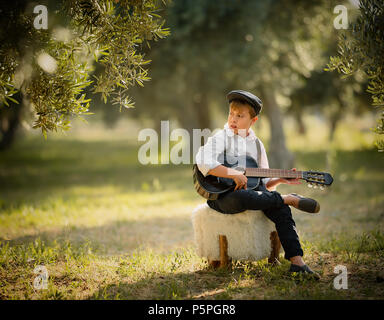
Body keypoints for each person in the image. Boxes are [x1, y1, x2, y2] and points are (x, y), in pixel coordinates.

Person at [195, 90, 320, 279]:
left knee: (282, 210)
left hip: (253, 194)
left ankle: (297, 263)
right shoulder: (222, 137)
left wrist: (279, 180)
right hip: (223, 196)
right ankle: (288, 198)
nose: (233, 119)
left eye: (240, 115)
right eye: (231, 114)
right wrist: (232, 173)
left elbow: (262, 185)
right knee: (247, 196)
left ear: (253, 121)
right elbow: (203, 161)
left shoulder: (257, 145)